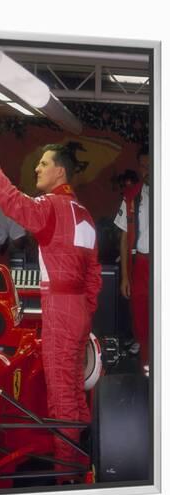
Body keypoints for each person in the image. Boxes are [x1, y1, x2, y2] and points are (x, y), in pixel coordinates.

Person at [0, 119, 102, 480]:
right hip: (79, 312)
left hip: (60, 308)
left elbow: (10, 200)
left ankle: (65, 474)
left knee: (60, 395)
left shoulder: (50, 208)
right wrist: (84, 311)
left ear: (59, 171)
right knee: (73, 390)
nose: (37, 168)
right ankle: (81, 460)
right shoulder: (84, 215)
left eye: (43, 163)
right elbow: (93, 276)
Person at [114, 147, 149, 370]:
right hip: (141, 264)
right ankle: (147, 367)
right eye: (144, 166)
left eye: (151, 165)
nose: (147, 170)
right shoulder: (132, 196)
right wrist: (125, 277)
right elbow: (124, 237)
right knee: (141, 319)